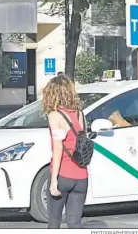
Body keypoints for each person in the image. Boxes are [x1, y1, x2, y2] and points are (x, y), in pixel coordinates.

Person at [42, 74, 88, 229]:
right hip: (81, 176)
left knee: (54, 222)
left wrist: (54, 180)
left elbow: (58, 149)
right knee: (75, 223)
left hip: (64, 175)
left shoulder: (55, 115)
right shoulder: (79, 114)